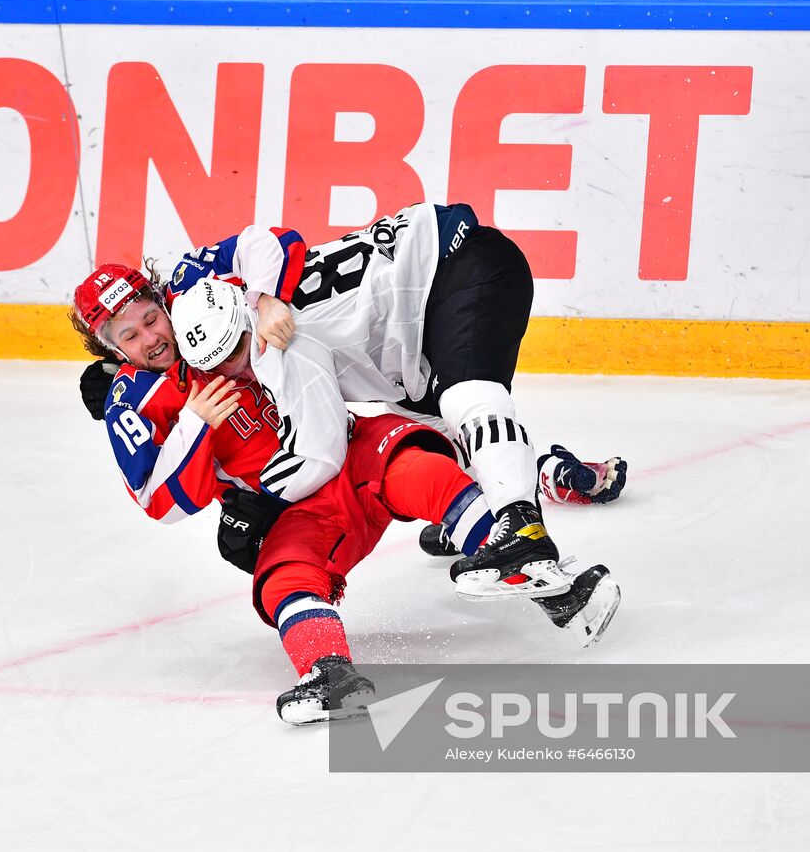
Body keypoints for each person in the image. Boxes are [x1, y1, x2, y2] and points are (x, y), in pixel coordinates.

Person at [71, 264, 619, 724]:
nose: (151, 338)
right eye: (129, 336)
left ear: (161, 300)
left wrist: (264, 300)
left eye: (150, 318)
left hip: (350, 448)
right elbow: (158, 504)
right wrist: (193, 424)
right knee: (282, 573)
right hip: (294, 509)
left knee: (421, 468)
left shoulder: (203, 291)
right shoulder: (134, 401)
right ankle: (328, 672)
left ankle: (554, 587)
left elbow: (278, 248)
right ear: (109, 347)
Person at [166, 203, 624, 602]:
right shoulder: (247, 302)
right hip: (419, 318)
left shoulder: (278, 343)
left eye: (236, 349)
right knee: (440, 436)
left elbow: (321, 453)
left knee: (467, 396)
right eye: (220, 363)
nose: (236, 367)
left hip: (455, 269)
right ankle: (548, 474)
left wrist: (265, 500)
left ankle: (522, 529)